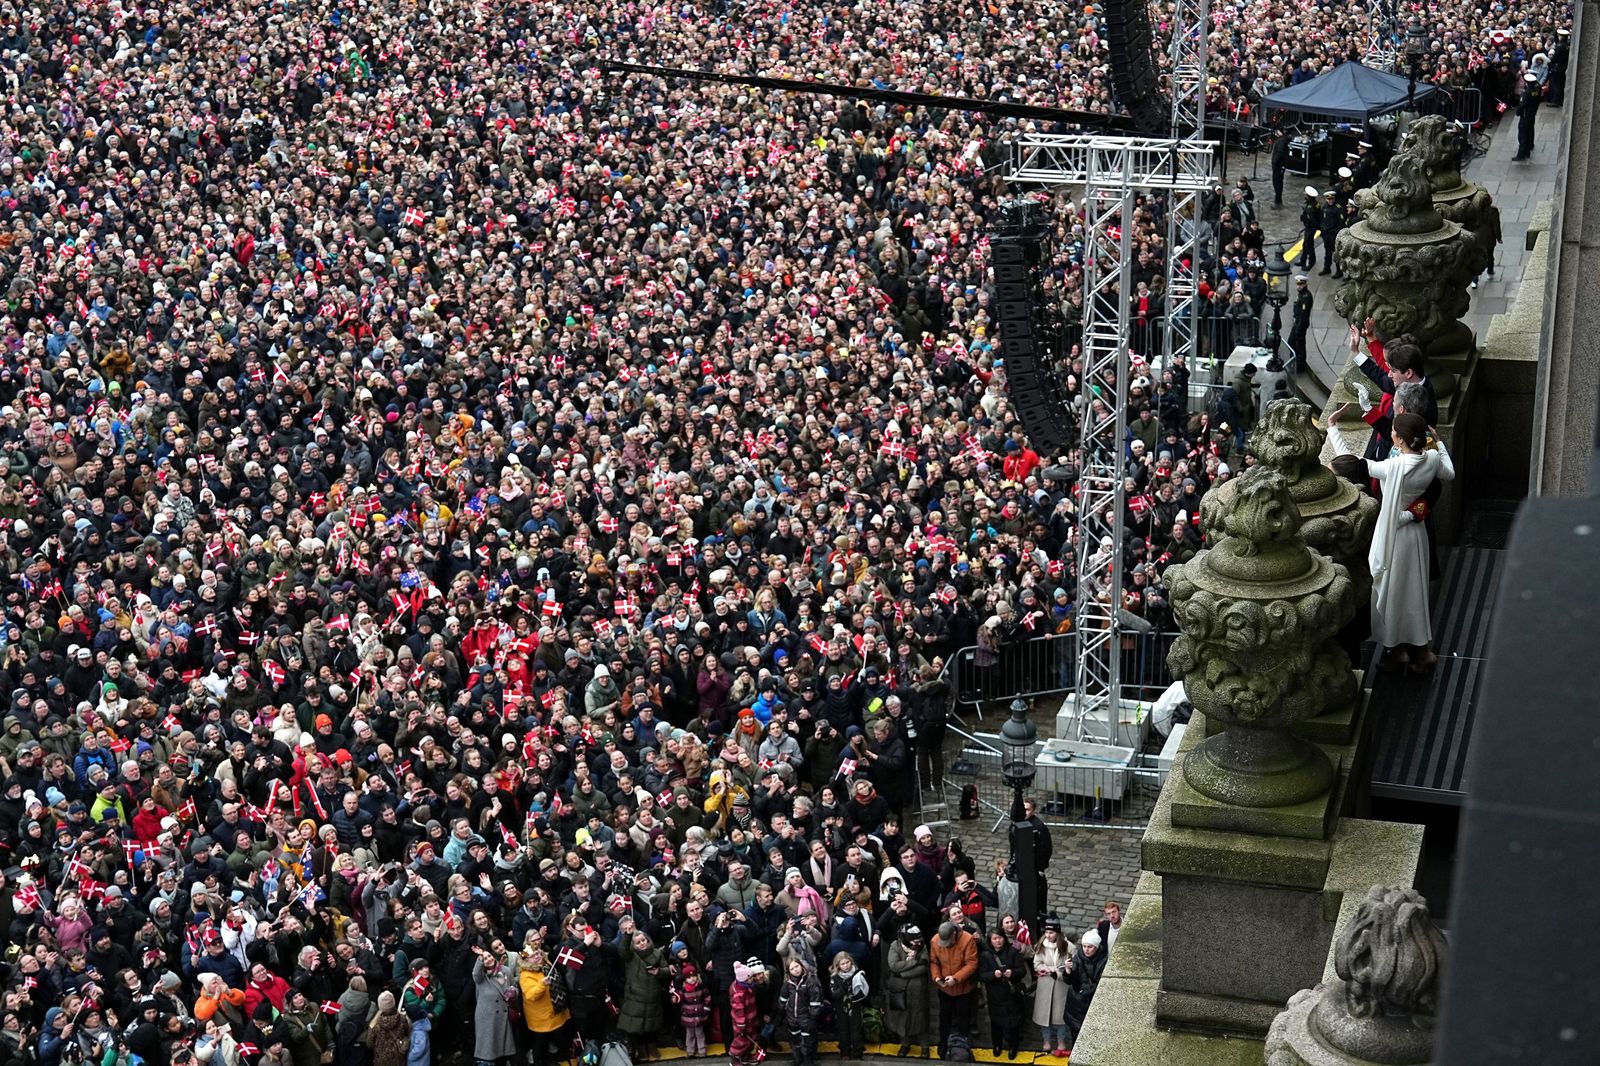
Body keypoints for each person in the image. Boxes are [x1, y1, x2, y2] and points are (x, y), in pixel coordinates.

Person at [1326, 414, 1456, 672]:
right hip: (1416, 536)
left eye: (1394, 432)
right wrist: (1439, 444)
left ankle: (1398, 653)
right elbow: (1449, 473)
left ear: (1400, 439)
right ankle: (1420, 652)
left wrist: (1333, 430)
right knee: (1413, 593)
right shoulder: (1430, 459)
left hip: (1394, 539)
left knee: (1394, 594)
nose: (1392, 434)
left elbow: (1356, 465)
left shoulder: (1393, 467)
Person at [930, 921, 978, 1057]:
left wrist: (956, 978)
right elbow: (934, 962)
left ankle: (963, 1044)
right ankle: (943, 1042)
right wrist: (936, 977)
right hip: (944, 988)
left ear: (955, 934)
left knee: (964, 1018)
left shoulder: (968, 940)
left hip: (964, 988)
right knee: (944, 1017)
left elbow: (972, 963)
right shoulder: (934, 941)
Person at [978, 929, 1027, 1059]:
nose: (998, 941)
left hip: (1011, 995)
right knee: (996, 1023)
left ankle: (1013, 1046)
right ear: (990, 941)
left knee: (1014, 1023)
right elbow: (982, 975)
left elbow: (1022, 970)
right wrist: (993, 975)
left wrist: (1013, 973)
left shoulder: (1013, 952)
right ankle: (997, 1045)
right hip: (995, 996)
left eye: (1000, 938)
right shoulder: (986, 955)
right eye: (994, 939)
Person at [884, 925, 931, 1055]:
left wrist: (903, 974)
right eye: (915, 941)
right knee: (901, 1017)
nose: (918, 943)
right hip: (898, 990)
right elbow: (894, 966)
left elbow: (924, 967)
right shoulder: (895, 945)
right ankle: (905, 1044)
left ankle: (924, 1047)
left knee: (920, 1017)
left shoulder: (923, 947)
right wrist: (914, 962)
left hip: (917, 990)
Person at [1030, 919, 1074, 1057]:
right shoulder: (1041, 946)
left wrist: (1058, 973)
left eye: (1051, 932)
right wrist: (1050, 969)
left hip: (1061, 986)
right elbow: (1037, 964)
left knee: (1060, 1016)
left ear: (1057, 932)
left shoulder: (1068, 947)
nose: (1048, 935)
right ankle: (1046, 1040)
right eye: (1047, 932)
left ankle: (1061, 1041)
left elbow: (1071, 967)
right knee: (1045, 1016)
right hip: (1045, 985)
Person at [777, 958, 822, 1066]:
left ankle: (807, 1060)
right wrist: (781, 1014)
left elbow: (815, 1002)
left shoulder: (811, 980)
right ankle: (797, 1058)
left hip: (806, 1017)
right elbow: (783, 999)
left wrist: (813, 1018)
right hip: (792, 1017)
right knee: (794, 1039)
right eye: (792, 968)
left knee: (808, 1040)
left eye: (796, 966)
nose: (795, 970)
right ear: (789, 971)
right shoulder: (787, 983)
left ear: (801, 966)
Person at [828, 953, 870, 1060]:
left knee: (856, 1030)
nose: (846, 965)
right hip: (841, 1008)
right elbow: (833, 994)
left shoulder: (857, 974)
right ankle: (845, 1052)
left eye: (847, 962)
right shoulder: (835, 977)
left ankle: (857, 1052)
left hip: (855, 1006)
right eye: (843, 964)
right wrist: (842, 989)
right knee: (843, 1030)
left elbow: (864, 991)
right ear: (838, 966)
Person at [1287, 275, 1314, 375]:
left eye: (1301, 284)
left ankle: (1299, 365)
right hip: (1298, 322)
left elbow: (1303, 314)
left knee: (1299, 345)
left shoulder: (1306, 296)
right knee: (1293, 343)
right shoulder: (1301, 294)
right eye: (1298, 284)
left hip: (1300, 324)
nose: (1299, 286)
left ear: (1305, 284)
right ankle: (1295, 362)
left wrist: (1298, 328)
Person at [1514, 72, 1542, 160]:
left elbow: (1522, 104)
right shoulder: (1537, 88)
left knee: (1523, 134)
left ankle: (1521, 154)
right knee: (1530, 131)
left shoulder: (1526, 92)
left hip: (1525, 115)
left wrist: (1518, 112)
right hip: (1532, 113)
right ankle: (1529, 148)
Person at [1298, 187, 1321, 270]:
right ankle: (1302, 260)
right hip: (1310, 227)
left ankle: (1311, 263)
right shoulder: (1315, 203)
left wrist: (1315, 226)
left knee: (1309, 245)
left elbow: (1312, 219)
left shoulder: (1310, 207)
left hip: (1310, 228)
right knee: (1305, 244)